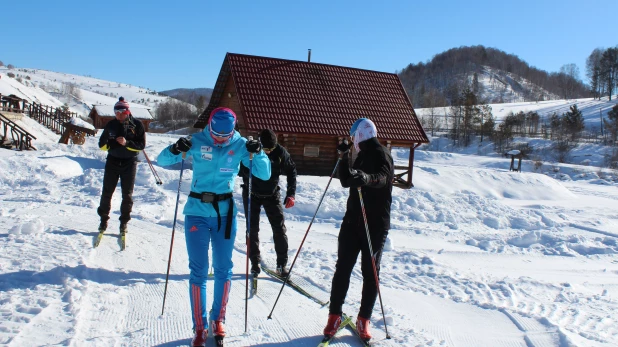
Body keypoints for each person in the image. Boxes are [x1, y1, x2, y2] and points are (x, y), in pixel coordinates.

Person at [157, 107, 270, 347]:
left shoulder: (240, 144)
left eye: (224, 136)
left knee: (223, 268)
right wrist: (176, 148)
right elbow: (162, 160)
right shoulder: (196, 141)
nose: (219, 139)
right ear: (209, 126)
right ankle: (199, 326)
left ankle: (218, 319)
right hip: (197, 211)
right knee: (198, 270)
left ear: (232, 131)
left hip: (225, 214)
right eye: (215, 134)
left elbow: (264, 173)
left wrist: (258, 153)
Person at [322, 118, 394, 342]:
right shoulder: (360, 153)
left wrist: (367, 179)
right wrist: (343, 158)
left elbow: (382, 178)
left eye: (354, 135)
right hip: (353, 221)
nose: (352, 139)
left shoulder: (382, 154)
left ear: (363, 134)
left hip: (374, 224)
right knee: (342, 267)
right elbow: (346, 181)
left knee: (370, 272)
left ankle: (364, 319)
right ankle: (334, 315)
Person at [239, 129, 297, 277]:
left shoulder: (280, 152)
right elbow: (239, 168)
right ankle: (255, 262)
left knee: (279, 229)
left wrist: (291, 194)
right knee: (252, 229)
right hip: (251, 193)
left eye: (271, 149)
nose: (269, 152)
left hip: (272, 194)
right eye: (266, 149)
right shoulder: (251, 150)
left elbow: (291, 171)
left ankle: (281, 264)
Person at [97, 97, 146, 234]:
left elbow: (141, 145)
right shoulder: (111, 124)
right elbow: (101, 145)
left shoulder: (137, 125)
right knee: (107, 192)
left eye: (120, 112)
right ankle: (103, 220)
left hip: (129, 163)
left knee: (127, 195)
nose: (117, 115)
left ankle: (124, 222)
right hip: (112, 161)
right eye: (115, 112)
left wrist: (127, 143)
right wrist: (113, 143)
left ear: (127, 112)